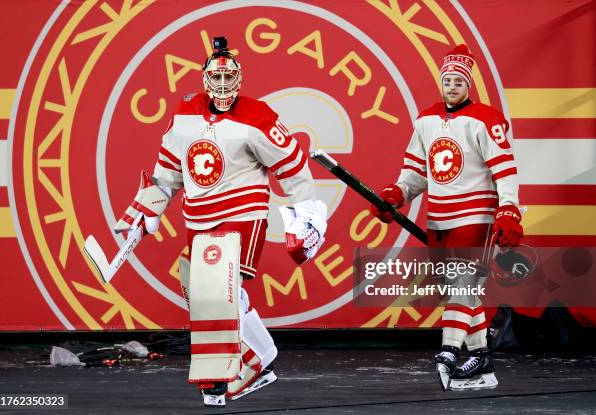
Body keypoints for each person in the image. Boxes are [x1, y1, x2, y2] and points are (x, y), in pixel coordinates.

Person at [114, 37, 327, 407]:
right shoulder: (183, 115)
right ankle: (261, 355)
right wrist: (148, 209)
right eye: (217, 78)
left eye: (230, 78)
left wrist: (308, 213)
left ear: (240, 79)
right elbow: (168, 172)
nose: (224, 85)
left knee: (218, 291)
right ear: (205, 79)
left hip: (243, 214)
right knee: (202, 291)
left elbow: (292, 165)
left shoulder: (257, 116)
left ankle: (222, 374)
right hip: (199, 218)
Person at [370, 44, 523, 391]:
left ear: (468, 84)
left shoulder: (486, 119)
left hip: (476, 214)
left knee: (462, 285)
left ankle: (449, 352)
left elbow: (505, 170)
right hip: (439, 217)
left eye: (458, 81)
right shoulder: (426, 119)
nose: (452, 86)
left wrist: (509, 208)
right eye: (447, 80)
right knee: (460, 292)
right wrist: (398, 193)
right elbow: (415, 171)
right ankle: (482, 362)